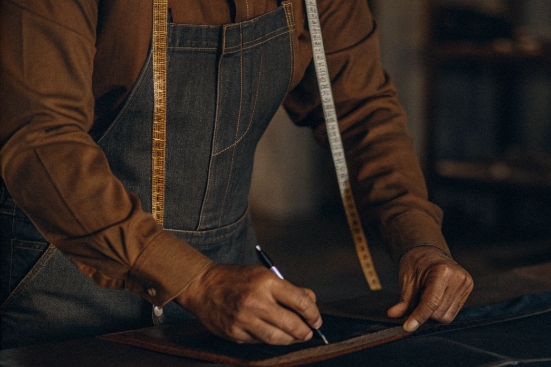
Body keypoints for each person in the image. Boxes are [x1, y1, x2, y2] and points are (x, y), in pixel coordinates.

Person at [0, 0, 473, 349]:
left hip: (232, 288)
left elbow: (360, 109)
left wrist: (418, 239)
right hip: (58, 280)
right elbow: (42, 140)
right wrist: (195, 281)